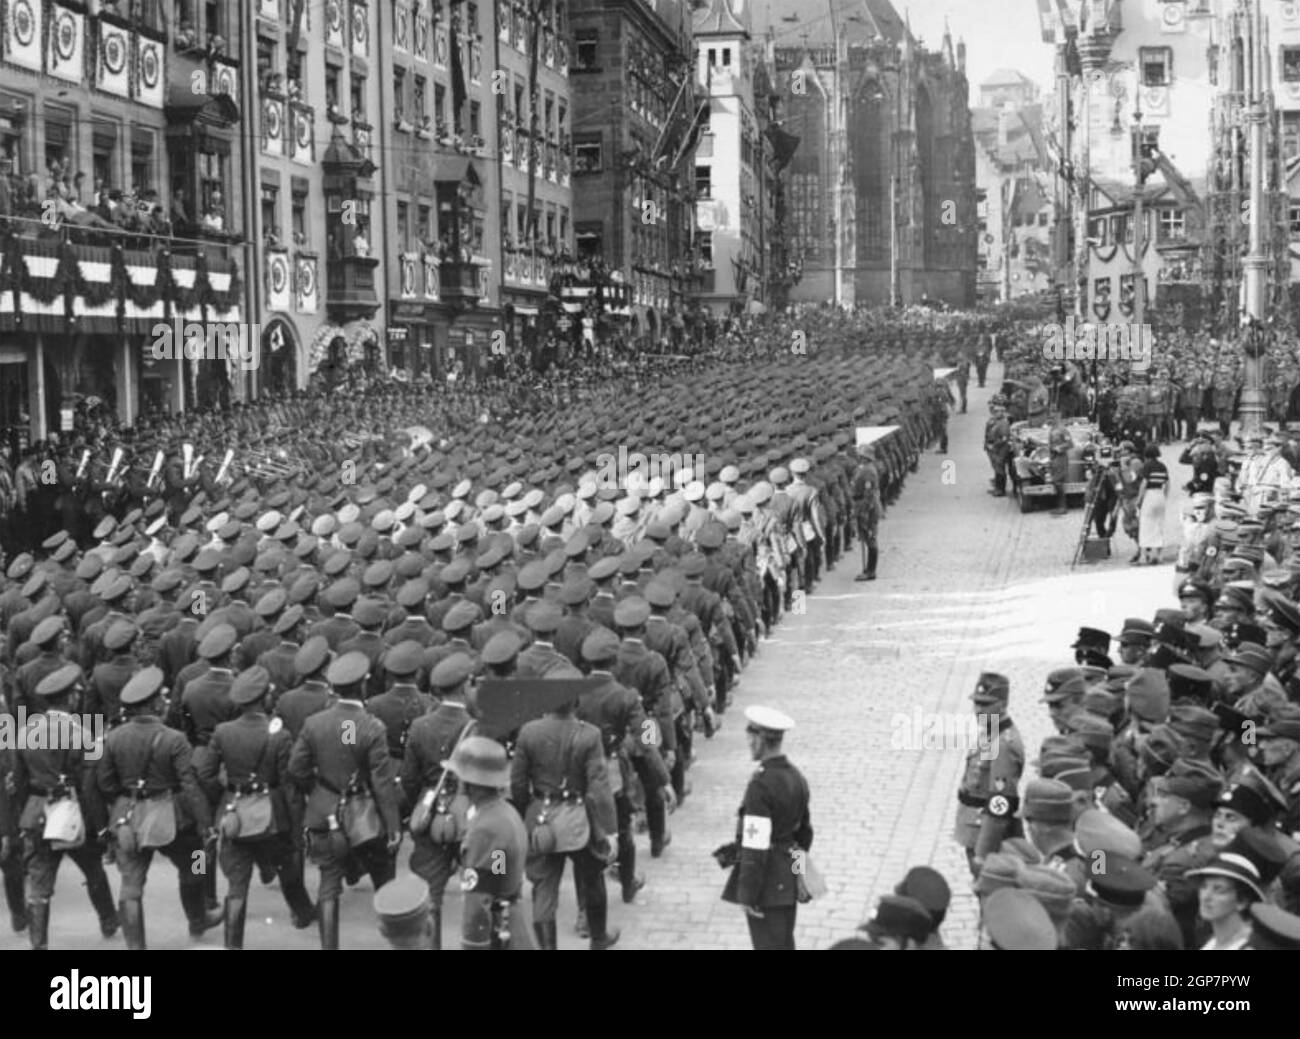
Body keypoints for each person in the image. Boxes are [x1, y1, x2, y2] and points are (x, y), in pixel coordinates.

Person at [96, 666, 224, 949]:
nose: (165, 703)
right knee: (197, 863)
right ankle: (198, 918)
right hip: (174, 818)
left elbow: (105, 784)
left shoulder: (112, 737)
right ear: (154, 703)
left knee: (131, 885)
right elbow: (190, 784)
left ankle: (136, 946)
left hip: (128, 819)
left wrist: (125, 802)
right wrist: (206, 824)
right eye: (161, 699)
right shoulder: (174, 738)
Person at [11, 664, 119, 948]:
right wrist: (102, 826)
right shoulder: (84, 734)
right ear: (70, 697)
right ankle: (109, 920)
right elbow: (92, 786)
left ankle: (39, 942)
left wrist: (25, 816)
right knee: (93, 869)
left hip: (38, 813)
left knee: (40, 882)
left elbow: (19, 783)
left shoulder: (24, 732)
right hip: (76, 813)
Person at [720, 705, 812, 950]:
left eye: (751, 737)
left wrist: (748, 894)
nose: (749, 743)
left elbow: (755, 846)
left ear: (760, 739)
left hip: (766, 888)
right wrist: (798, 875)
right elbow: (803, 836)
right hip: (786, 883)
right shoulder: (796, 777)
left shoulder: (760, 786)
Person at [447, 735, 533, 949]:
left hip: (493, 932)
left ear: (468, 784)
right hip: (510, 923)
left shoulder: (486, 828)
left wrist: (472, 945)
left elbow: (478, 901)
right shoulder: (504, 813)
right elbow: (497, 872)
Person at [1185, 852, 1267, 950]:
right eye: (1204, 886)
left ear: (1242, 902)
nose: (1206, 897)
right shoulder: (1211, 943)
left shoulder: (1249, 947)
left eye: (1218, 889)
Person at [1135, 443, 1169, 566]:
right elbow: (1167, 484)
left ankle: (1144, 556)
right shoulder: (1162, 466)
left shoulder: (1147, 466)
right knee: (1158, 524)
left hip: (1150, 495)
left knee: (1146, 525)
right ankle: (1159, 555)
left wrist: (1139, 499)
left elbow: (1144, 484)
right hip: (1160, 494)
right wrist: (1164, 497)